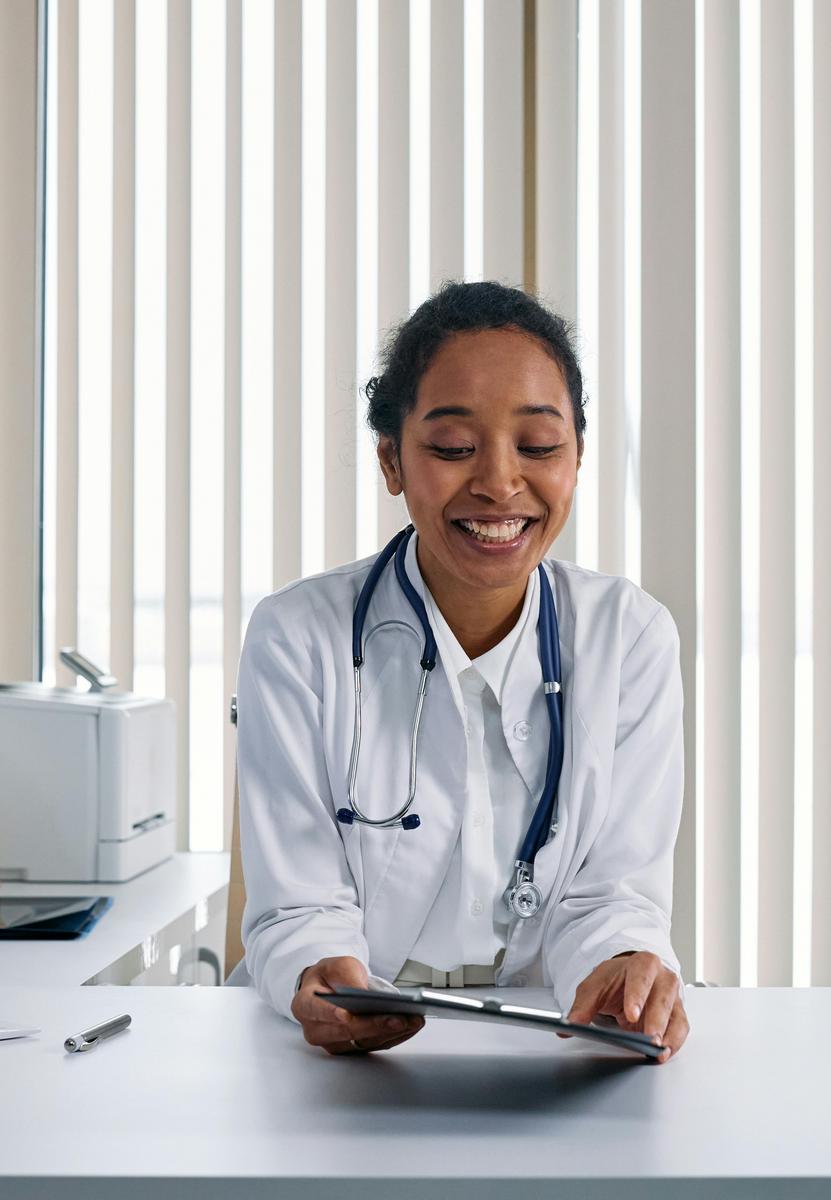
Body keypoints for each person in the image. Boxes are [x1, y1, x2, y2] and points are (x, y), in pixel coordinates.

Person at [234, 281, 690, 1061]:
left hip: (552, 1045)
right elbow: (298, 904)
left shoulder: (629, 637)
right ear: (391, 460)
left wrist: (622, 968)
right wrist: (323, 976)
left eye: (540, 447)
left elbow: (613, 893)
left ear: (577, 458)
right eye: (451, 448)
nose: (499, 482)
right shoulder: (297, 637)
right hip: (338, 1063)